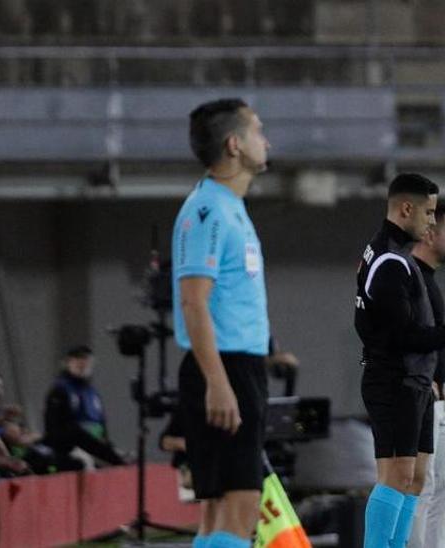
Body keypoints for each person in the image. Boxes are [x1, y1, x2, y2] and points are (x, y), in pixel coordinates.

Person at [355, 174, 445, 548]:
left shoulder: (392, 257)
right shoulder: (390, 261)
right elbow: (401, 336)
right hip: (395, 381)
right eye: (427, 213)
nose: (431, 222)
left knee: (417, 477)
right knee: (396, 476)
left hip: (416, 383)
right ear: (405, 209)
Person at [172, 97, 272, 548]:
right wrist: (218, 382)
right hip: (224, 369)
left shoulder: (230, 207)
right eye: (258, 131)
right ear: (235, 144)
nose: (265, 140)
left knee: (219, 511)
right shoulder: (208, 210)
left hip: (237, 367)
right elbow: (194, 302)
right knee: (240, 508)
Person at [407, 203, 445, 548]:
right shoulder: (410, 278)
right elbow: (405, 336)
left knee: (443, 485)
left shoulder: (428, 281)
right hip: (419, 398)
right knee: (421, 485)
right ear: (430, 234)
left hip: (436, 400)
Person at [42, 345, 126, 469]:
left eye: (86, 360)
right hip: (72, 448)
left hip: (94, 446)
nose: (82, 364)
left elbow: (101, 425)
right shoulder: (60, 390)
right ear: (68, 362)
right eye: (77, 360)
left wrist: (107, 445)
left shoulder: (92, 393)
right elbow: (54, 428)